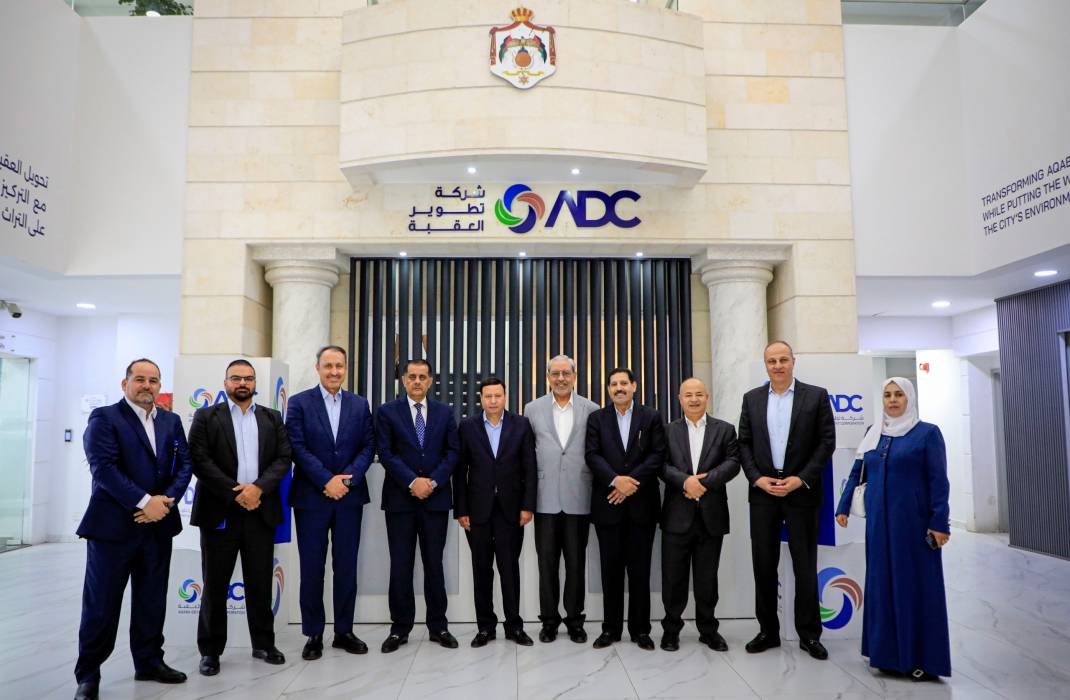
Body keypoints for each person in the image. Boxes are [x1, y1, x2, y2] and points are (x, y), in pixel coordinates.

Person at [74, 359, 193, 700]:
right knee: (101, 604)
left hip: (157, 527)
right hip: (113, 529)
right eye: (140, 379)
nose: (147, 385)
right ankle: (89, 674)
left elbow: (185, 464)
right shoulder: (105, 418)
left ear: (160, 386)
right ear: (124, 383)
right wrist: (144, 502)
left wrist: (164, 502)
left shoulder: (170, 420)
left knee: (151, 600)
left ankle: (149, 661)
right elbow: (104, 469)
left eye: (153, 380)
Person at [836, 377, 951, 681]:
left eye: (899, 394)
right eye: (887, 395)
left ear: (909, 398)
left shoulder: (927, 434)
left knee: (914, 587)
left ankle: (921, 660)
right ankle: (885, 656)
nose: (893, 400)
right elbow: (858, 471)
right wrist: (843, 506)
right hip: (879, 526)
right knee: (882, 585)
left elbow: (939, 480)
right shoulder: (874, 433)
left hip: (913, 527)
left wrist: (939, 522)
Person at [188, 359, 292, 675]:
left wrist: (257, 489)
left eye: (248, 378)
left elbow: (283, 458)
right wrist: (236, 492)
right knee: (215, 584)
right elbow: (200, 460)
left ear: (255, 382)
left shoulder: (271, 417)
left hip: (260, 510)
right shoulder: (207, 417)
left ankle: (263, 644)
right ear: (225, 382)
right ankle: (210, 651)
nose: (243, 383)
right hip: (220, 512)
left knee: (260, 583)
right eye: (236, 378)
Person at [738, 341, 835, 659]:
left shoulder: (816, 396)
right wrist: (757, 478)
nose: (777, 365)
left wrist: (801, 478)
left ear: (793, 361)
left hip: (801, 492)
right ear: (765, 365)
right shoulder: (752, 398)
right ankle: (768, 631)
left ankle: (809, 634)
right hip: (763, 493)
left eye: (783, 360)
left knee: (804, 565)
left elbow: (826, 442)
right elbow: (744, 443)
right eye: (772, 361)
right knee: (763, 565)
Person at [285, 346, 375, 661]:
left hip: (349, 498)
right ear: (318, 368)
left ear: (346, 368)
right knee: (312, 568)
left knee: (346, 567)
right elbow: (296, 446)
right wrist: (326, 480)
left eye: (339, 366)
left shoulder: (360, 404)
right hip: (312, 497)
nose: (334, 371)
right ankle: (314, 633)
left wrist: (346, 481)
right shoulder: (299, 403)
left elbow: (368, 446)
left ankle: (344, 631)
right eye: (328, 366)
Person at [375, 358, 460, 652]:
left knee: (434, 564)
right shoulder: (388, 412)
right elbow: (385, 452)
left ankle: (438, 626)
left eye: (423, 377)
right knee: (401, 565)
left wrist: (432, 482)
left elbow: (453, 453)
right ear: (403, 380)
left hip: (435, 501)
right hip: (400, 500)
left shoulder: (444, 412)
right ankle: (399, 628)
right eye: (412, 376)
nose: (417, 381)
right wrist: (413, 482)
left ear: (431, 381)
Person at [584, 367, 667, 650]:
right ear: (608, 389)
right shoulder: (597, 418)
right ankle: (610, 629)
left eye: (623, 383)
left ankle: (641, 630)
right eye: (613, 384)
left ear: (634, 386)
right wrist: (615, 480)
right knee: (611, 572)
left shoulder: (651, 417)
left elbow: (658, 454)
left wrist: (630, 482)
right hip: (608, 504)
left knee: (640, 571)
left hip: (642, 505)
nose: (619, 388)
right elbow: (592, 455)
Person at [454, 377, 537, 647]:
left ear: (505, 397)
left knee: (509, 569)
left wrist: (528, 506)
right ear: (481, 399)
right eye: (488, 396)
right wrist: (461, 509)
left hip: (511, 511)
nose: (492, 401)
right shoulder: (467, 427)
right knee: (481, 570)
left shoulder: (521, 424)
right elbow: (460, 471)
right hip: (477, 511)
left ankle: (514, 626)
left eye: (497, 396)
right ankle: (485, 628)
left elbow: (530, 468)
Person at [659, 378, 740, 652]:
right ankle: (671, 630)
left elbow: (733, 462)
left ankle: (708, 630)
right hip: (676, 515)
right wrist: (685, 482)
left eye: (699, 394)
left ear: (707, 397)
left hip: (711, 515)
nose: (693, 399)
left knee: (707, 578)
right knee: (673, 578)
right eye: (688, 395)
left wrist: (704, 483)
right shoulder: (667, 431)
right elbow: (660, 464)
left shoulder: (725, 430)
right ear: (680, 399)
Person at [524, 354, 599, 644]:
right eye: (555, 374)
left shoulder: (591, 409)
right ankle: (549, 621)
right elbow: (527, 455)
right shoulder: (532, 409)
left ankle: (575, 621)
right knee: (547, 564)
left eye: (566, 373)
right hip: (544, 498)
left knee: (576, 564)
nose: (561, 378)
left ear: (575, 376)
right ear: (548, 377)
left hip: (579, 495)